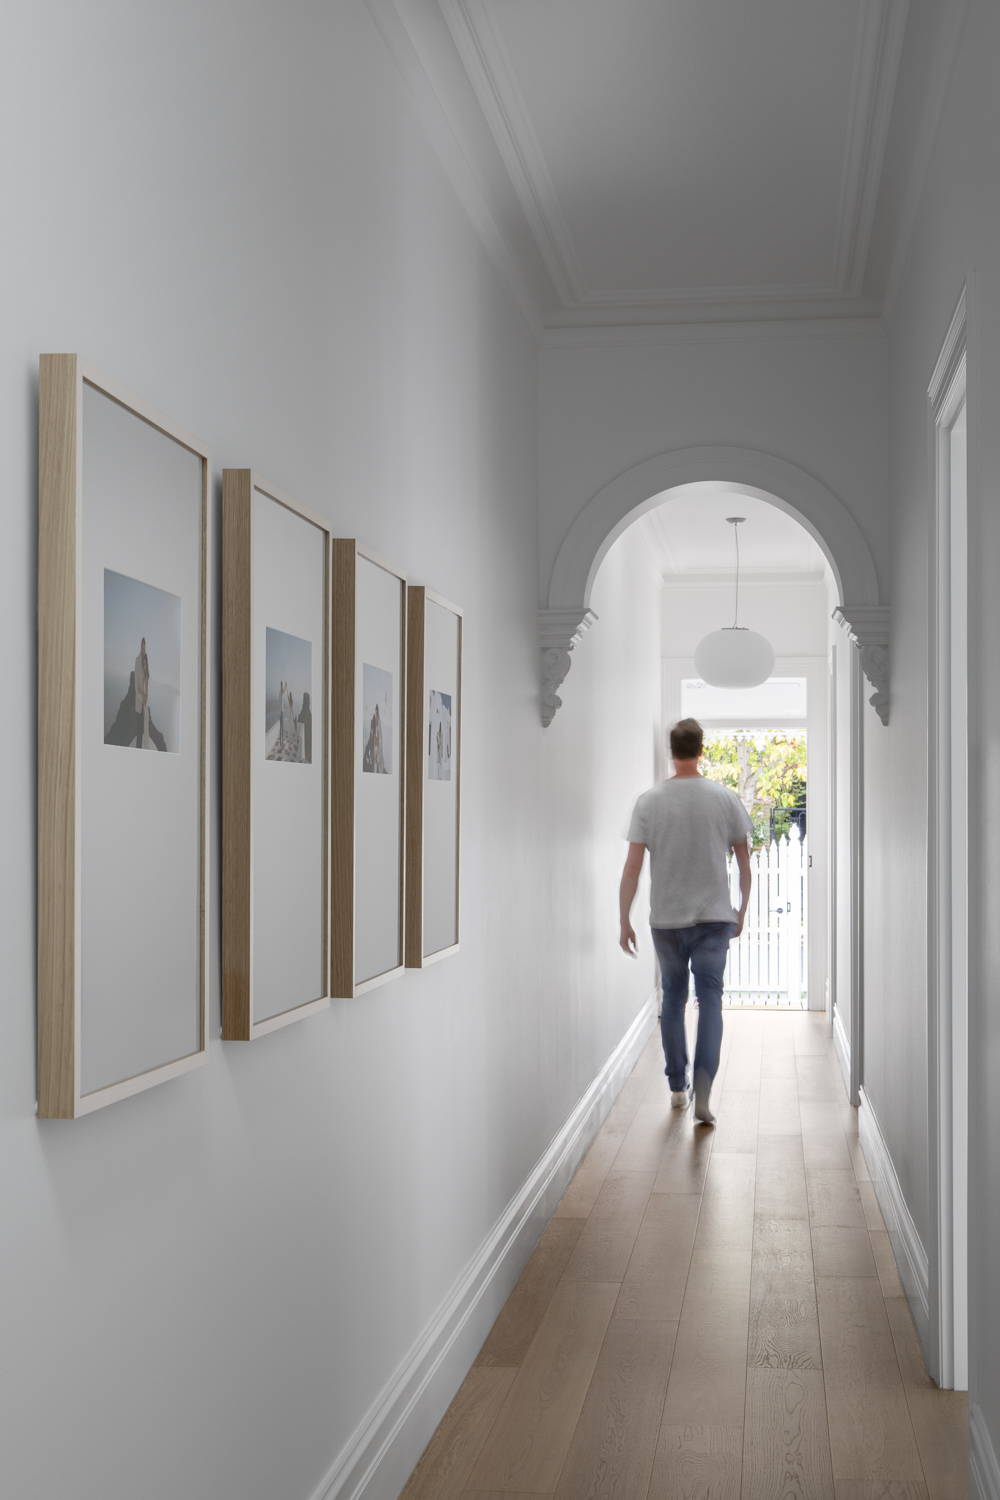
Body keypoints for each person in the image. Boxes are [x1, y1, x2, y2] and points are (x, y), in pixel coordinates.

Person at [619, 717, 752, 1125]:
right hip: (715, 918)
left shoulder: (649, 801)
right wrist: (740, 911)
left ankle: (678, 1087)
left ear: (670, 751)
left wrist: (623, 918)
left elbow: (632, 867)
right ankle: (705, 1086)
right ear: (700, 749)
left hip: (668, 920)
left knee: (673, 1000)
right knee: (711, 1000)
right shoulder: (726, 798)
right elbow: (746, 866)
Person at [133, 637, 150, 749]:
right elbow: (136, 684)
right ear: (140, 646)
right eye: (142, 645)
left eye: (144, 646)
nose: (143, 648)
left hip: (145, 698)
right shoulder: (137, 660)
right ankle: (138, 747)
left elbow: (147, 680)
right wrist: (142, 696)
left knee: (145, 723)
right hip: (139, 697)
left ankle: (143, 746)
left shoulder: (146, 660)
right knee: (139, 725)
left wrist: (147, 695)